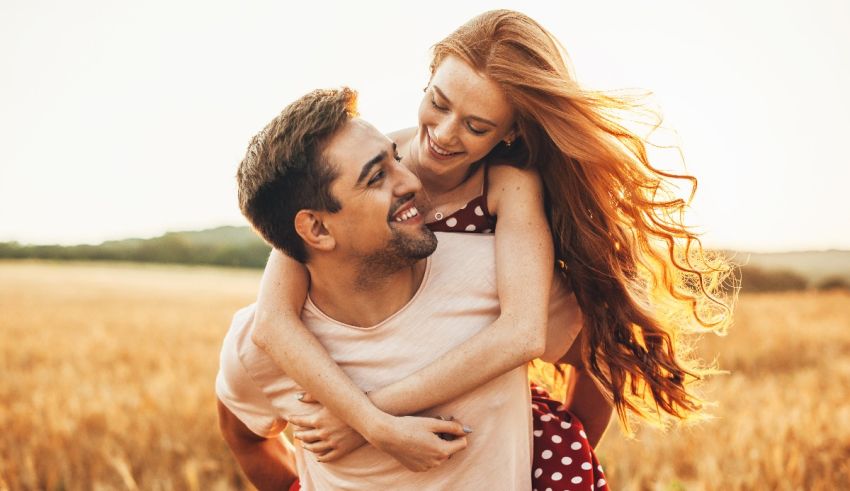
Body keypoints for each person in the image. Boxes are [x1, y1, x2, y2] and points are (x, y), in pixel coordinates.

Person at [247, 9, 734, 489]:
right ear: (429, 77)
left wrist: (369, 416)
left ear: (512, 132)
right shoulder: (363, 172)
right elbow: (272, 320)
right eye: (438, 102)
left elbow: (523, 334)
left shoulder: (508, 187)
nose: (442, 134)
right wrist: (370, 425)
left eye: (476, 126)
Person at [216, 87, 592, 490]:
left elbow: (596, 360)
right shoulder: (260, 345)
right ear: (317, 229)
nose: (413, 181)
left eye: (395, 157)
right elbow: (246, 439)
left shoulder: (499, 277)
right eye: (377, 177)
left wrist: (563, 469)